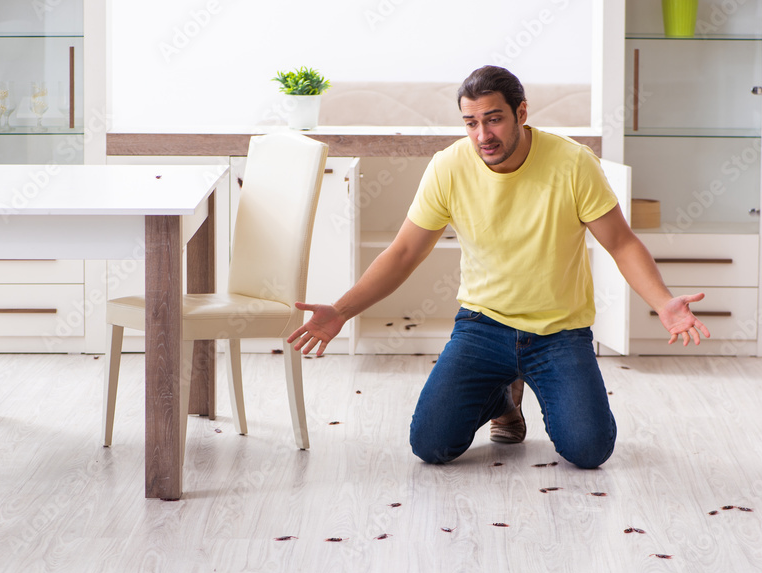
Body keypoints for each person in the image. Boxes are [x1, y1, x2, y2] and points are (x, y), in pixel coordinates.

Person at [287, 65, 710, 468]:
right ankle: (501, 399)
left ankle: (539, 387)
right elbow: (403, 253)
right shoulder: (449, 166)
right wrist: (341, 311)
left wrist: (664, 302)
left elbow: (620, 242)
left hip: (558, 333)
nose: (482, 135)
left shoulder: (573, 163)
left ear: (521, 113)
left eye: (494, 120)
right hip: (482, 327)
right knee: (431, 445)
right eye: (470, 122)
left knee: (589, 450)